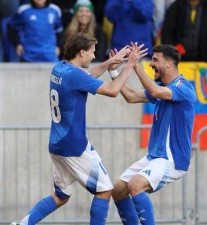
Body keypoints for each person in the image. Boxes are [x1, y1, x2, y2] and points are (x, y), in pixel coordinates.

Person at [10, 31, 148, 225]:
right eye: (92, 52)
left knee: (61, 196)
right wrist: (130, 64)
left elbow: (86, 76)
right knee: (105, 190)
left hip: (57, 145)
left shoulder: (60, 68)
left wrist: (110, 63)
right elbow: (113, 90)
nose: (93, 56)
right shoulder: (75, 75)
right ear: (81, 52)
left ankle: (22, 224)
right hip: (75, 146)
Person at [109, 44, 196, 225]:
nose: (151, 64)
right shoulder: (161, 86)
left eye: (155, 60)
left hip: (172, 159)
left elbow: (156, 92)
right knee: (117, 190)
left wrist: (134, 65)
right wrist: (114, 72)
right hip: (155, 157)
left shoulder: (183, 88)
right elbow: (131, 96)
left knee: (135, 185)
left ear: (169, 64)